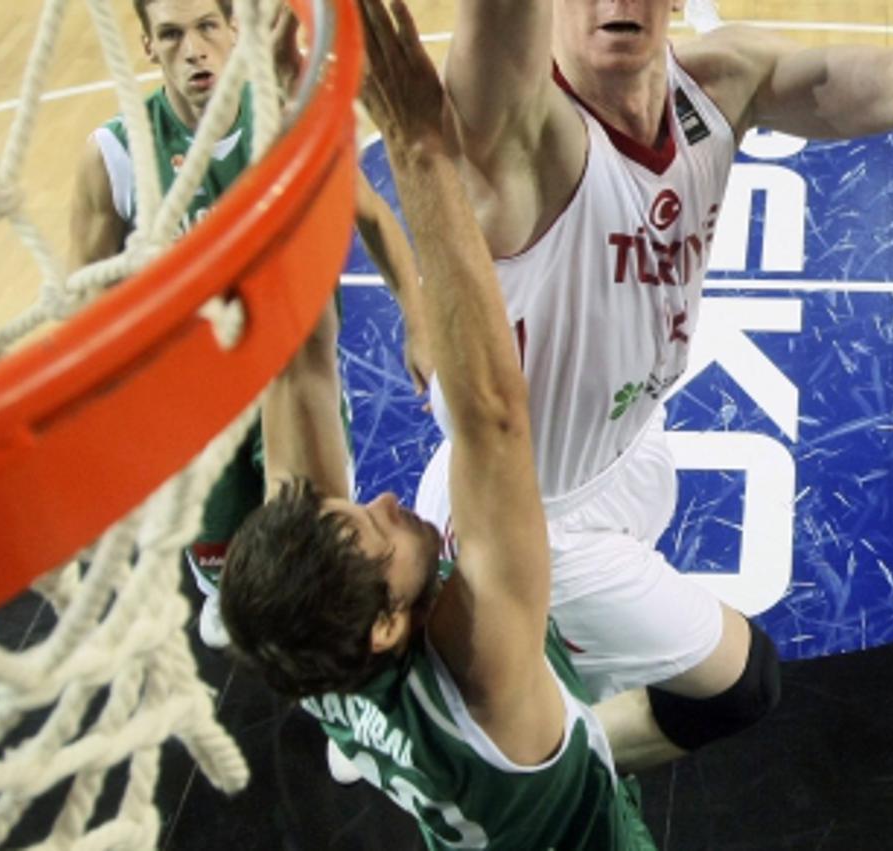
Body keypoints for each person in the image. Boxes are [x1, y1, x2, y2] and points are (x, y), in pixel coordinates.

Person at [413, 0, 893, 763]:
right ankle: (492, 776)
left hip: (623, 451)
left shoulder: (723, 81)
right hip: (523, 516)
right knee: (741, 685)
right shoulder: (523, 134)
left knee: (566, 671)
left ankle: (460, 707)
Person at [220, 1, 659, 846]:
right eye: (377, 531)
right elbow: (493, 417)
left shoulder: (311, 638)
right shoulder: (485, 675)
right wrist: (418, 144)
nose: (384, 498)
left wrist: (282, 118)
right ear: (387, 625)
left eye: (355, 507)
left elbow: (302, 353)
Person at [67, 0, 430, 649]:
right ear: (148, 47)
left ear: (236, 29)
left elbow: (372, 217)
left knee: (315, 542)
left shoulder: (289, 126)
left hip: (292, 376)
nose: (194, 49)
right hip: (189, 398)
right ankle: (220, 593)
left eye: (208, 26)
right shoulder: (117, 156)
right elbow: (78, 303)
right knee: (219, 556)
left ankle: (337, 676)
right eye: (172, 35)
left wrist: (418, 318)